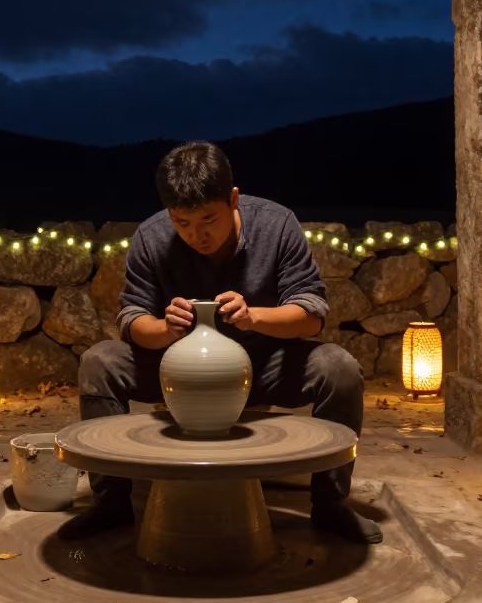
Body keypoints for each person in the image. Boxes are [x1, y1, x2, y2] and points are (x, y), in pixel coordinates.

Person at [59, 141, 381, 545]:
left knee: (339, 368)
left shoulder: (276, 225)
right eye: (183, 223)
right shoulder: (152, 237)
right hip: (177, 372)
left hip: (262, 365)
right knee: (99, 361)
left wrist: (253, 316)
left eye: (209, 218)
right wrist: (165, 328)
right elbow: (131, 319)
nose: (198, 235)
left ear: (233, 199)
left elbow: (312, 313)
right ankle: (110, 504)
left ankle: (331, 505)